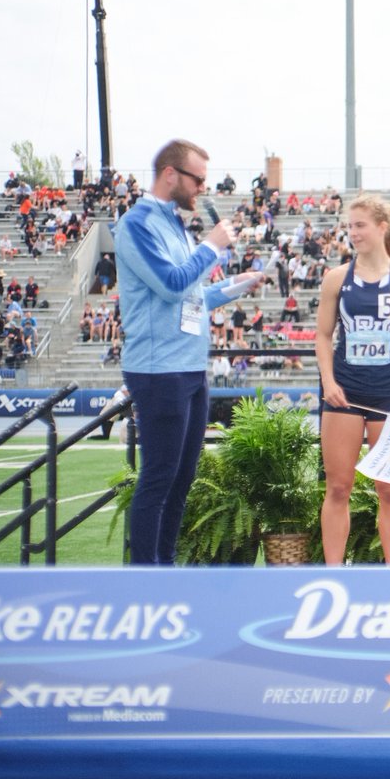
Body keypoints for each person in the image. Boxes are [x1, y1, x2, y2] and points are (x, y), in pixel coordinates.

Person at [113, 139, 264, 566]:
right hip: (159, 369)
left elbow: (191, 296)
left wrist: (236, 286)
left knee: (182, 480)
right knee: (159, 479)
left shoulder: (176, 223)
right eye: (198, 178)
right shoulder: (137, 223)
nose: (202, 187)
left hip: (189, 366)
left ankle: (166, 566)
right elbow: (172, 283)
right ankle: (147, 576)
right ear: (170, 174)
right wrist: (212, 246)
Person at [315, 195, 390, 566]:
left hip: (389, 394)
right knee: (338, 487)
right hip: (343, 395)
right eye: (350, 226)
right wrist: (328, 381)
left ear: (382, 227)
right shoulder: (337, 278)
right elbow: (322, 335)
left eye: (360, 225)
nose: (353, 233)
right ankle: (335, 571)